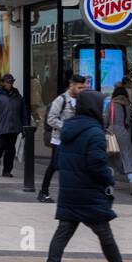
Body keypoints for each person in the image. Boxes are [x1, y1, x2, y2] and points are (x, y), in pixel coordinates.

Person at [40, 91, 132, 262]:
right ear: (94, 108)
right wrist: (109, 179)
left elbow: (61, 159)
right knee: (105, 235)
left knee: (62, 234)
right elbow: (97, 164)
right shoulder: (95, 132)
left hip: (70, 190)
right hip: (88, 192)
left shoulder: (68, 128)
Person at [39, 73, 86, 203]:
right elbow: (51, 119)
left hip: (73, 139)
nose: (81, 90)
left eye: (83, 88)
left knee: (70, 166)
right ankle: (43, 192)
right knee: (55, 166)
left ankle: (70, 194)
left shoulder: (81, 100)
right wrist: (66, 127)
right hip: (59, 139)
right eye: (79, 87)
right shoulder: (61, 100)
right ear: (72, 85)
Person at [0, 73, 27, 177]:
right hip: (0, 128)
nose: (10, 84)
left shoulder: (18, 96)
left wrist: (24, 127)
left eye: (11, 82)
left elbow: (23, 113)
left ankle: (7, 170)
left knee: (11, 151)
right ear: (2, 83)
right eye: (8, 82)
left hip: (13, 128)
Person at [106, 83, 132, 195]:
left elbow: (106, 120)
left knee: (110, 156)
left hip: (111, 132)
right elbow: (128, 121)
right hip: (124, 132)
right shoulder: (128, 106)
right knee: (127, 156)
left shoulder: (111, 105)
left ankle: (110, 183)